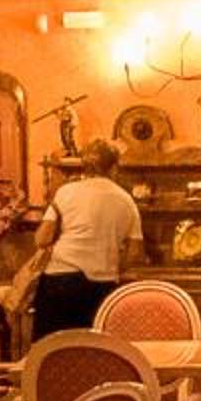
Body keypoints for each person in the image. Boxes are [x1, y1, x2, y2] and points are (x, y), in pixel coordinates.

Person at [16, 139, 143, 341]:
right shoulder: (127, 201)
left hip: (59, 282)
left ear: (84, 165)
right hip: (102, 285)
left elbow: (42, 238)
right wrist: (114, 267)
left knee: (51, 347)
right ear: (114, 168)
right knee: (93, 348)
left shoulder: (66, 192)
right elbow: (135, 252)